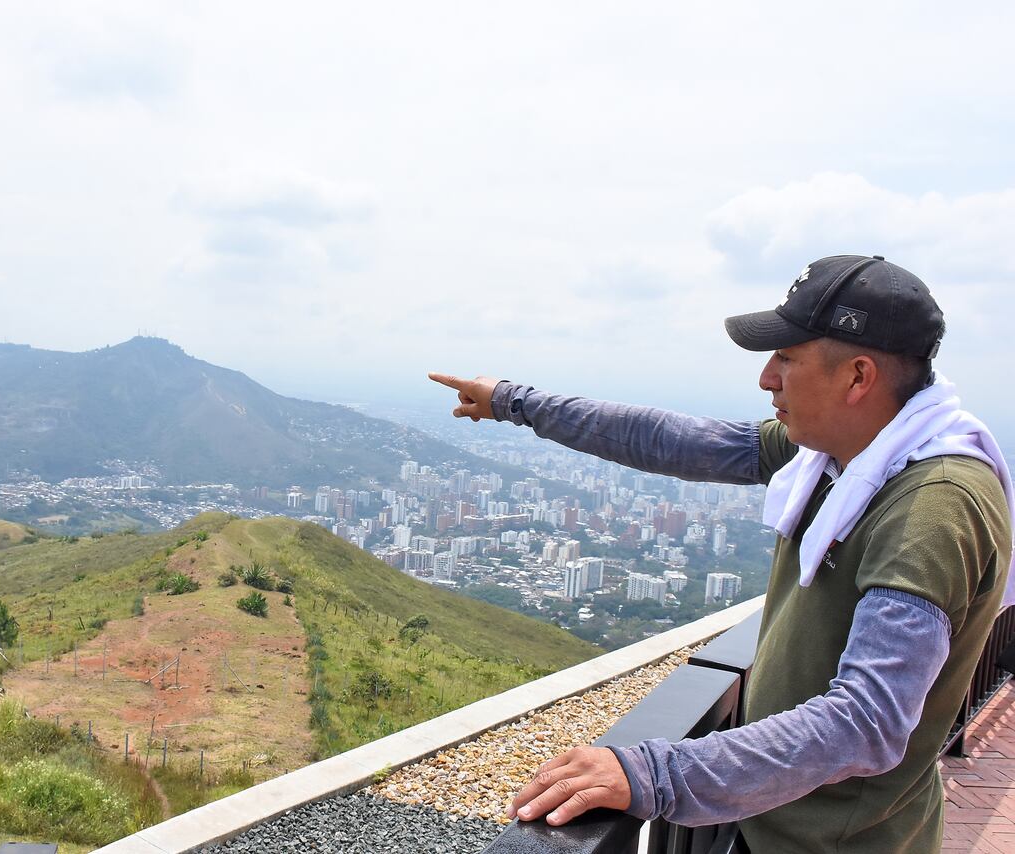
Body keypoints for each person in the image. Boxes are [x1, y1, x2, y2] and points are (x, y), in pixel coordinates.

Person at [430, 254, 1013, 854]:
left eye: (787, 357)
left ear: (857, 377)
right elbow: (673, 441)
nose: (767, 378)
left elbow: (867, 722)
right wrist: (516, 402)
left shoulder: (933, 508)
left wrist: (653, 774)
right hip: (776, 820)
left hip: (839, 842)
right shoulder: (838, 456)